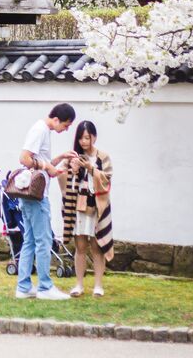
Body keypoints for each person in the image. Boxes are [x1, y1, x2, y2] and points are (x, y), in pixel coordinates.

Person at [15, 103, 77, 301]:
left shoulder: (43, 130)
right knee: (44, 241)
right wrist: (45, 166)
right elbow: (24, 158)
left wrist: (59, 158)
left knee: (30, 241)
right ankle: (44, 286)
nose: (65, 129)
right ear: (56, 119)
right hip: (37, 196)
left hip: (31, 196)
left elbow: (43, 162)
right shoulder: (40, 129)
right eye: (66, 125)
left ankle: (24, 287)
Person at [61, 120, 114, 297]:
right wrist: (73, 170)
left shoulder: (103, 157)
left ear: (94, 137)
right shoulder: (73, 156)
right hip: (78, 206)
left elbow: (107, 179)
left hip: (97, 206)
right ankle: (79, 284)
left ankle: (98, 285)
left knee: (97, 246)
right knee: (80, 246)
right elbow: (61, 177)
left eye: (87, 138)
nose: (84, 142)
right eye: (81, 138)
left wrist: (90, 168)